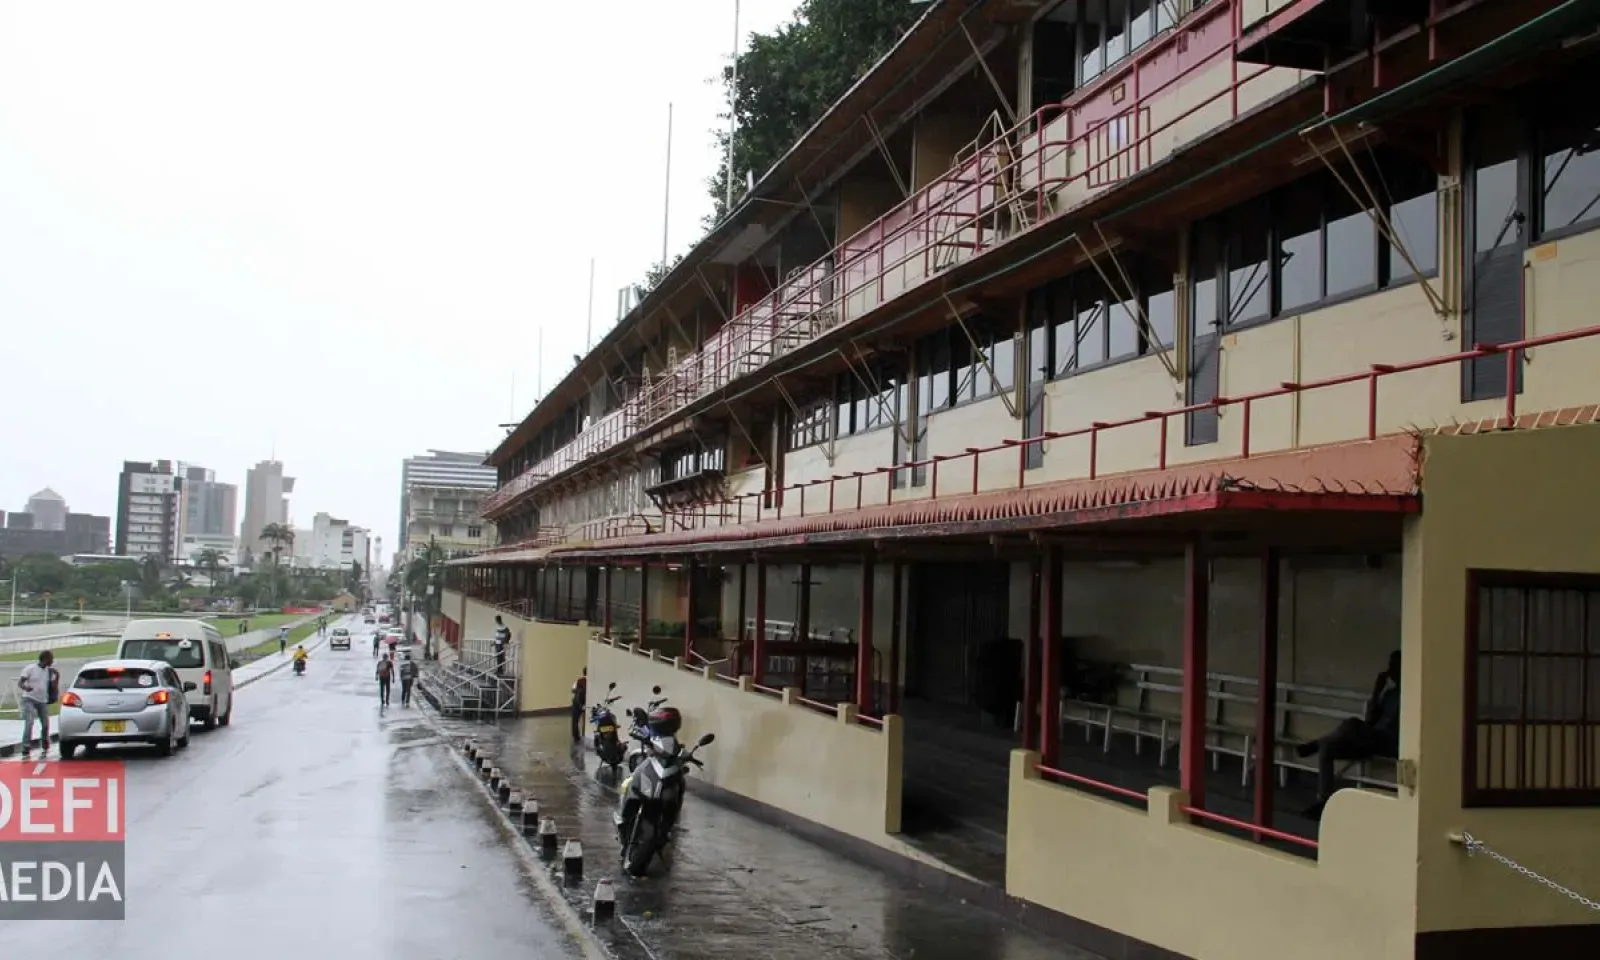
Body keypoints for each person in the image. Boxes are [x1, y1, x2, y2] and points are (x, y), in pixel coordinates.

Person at [1298, 650, 1401, 816]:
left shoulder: (1410, 695)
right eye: (1390, 665)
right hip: (1371, 739)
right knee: (1327, 748)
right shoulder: (1389, 694)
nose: (1390, 670)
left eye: (1394, 666)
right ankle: (1323, 801)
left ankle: (1316, 743)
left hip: (1389, 743)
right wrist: (1376, 691)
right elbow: (1370, 721)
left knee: (1352, 723)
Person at [16, 650, 59, 758]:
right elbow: (20, 683)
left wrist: (56, 677)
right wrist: (26, 687)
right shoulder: (30, 669)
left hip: (42, 700)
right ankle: (26, 747)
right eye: (51, 659)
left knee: (45, 724)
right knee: (29, 722)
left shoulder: (49, 671)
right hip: (29, 698)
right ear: (45, 659)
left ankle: (45, 743)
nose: (52, 661)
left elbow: (53, 687)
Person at [570, 668, 587, 742]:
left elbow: (573, 690)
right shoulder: (590, 681)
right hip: (584, 702)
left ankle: (576, 737)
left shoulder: (579, 681)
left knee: (575, 720)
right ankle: (584, 734)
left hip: (577, 703)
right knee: (586, 720)